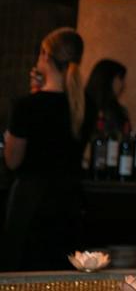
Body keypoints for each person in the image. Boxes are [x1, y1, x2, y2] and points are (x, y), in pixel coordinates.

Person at [3, 28, 85, 271]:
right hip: (69, 201)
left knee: (24, 271)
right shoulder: (84, 106)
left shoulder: (27, 105)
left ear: (45, 55)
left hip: (31, 201)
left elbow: (12, 160)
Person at [83, 59, 129, 140]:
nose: (123, 84)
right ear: (108, 78)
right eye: (120, 78)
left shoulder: (119, 111)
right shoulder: (84, 108)